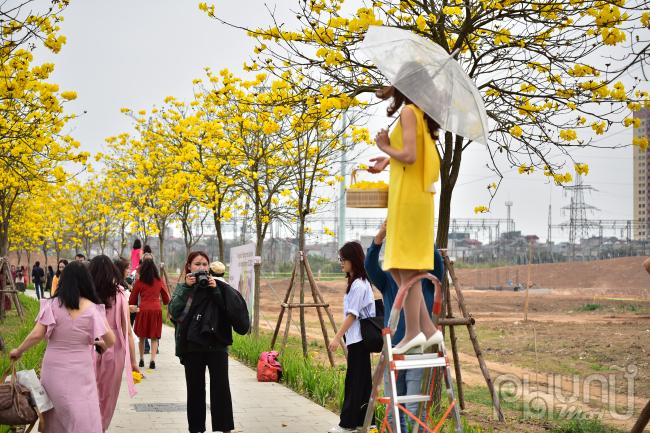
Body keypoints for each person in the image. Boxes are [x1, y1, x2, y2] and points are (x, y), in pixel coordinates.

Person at [369, 82, 443, 355]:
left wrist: (385, 146)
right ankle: (428, 329)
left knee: (405, 265)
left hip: (409, 199)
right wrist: (387, 160)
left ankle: (412, 333)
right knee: (400, 268)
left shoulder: (410, 112)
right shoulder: (421, 113)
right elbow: (415, 154)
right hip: (411, 196)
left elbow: (410, 156)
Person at [9, 261, 116, 433]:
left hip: (54, 369)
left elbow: (37, 334)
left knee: (55, 410)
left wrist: (18, 351)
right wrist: (100, 345)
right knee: (82, 411)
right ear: (86, 281)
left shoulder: (52, 305)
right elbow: (110, 340)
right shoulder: (92, 309)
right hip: (81, 370)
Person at [365, 221, 444, 432]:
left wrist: (424, 236)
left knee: (414, 406)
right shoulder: (387, 281)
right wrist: (379, 237)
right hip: (395, 349)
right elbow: (370, 265)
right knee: (394, 408)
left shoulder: (424, 280)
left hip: (419, 351)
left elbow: (437, 262)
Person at [169, 251, 234, 433]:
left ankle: (225, 428)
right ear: (189, 267)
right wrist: (186, 289)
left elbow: (227, 311)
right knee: (195, 390)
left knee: (221, 388)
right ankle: (196, 429)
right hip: (192, 346)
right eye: (197, 264)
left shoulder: (218, 285)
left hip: (217, 344)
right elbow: (173, 312)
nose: (201, 268)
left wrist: (216, 290)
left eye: (205, 264)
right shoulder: (183, 288)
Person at [327, 241, 376, 433]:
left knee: (354, 381)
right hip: (358, 339)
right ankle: (366, 423)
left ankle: (347, 424)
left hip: (358, 339)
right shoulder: (359, 283)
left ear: (352, 260)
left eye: (343, 259)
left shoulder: (358, 285)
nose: (341, 263)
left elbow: (352, 314)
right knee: (363, 381)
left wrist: (337, 337)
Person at [89, 255, 140, 431]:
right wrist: (133, 362)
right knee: (107, 397)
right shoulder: (119, 294)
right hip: (115, 348)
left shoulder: (85, 294)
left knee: (88, 395)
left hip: (88, 347)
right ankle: (100, 428)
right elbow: (127, 332)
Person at [129, 258, 169, 369]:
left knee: (141, 336)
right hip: (156, 309)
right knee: (154, 336)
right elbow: (166, 298)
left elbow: (132, 299)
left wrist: (133, 306)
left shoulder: (139, 282)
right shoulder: (159, 280)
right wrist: (164, 302)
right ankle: (152, 360)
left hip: (143, 310)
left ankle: (141, 359)